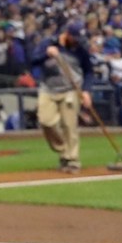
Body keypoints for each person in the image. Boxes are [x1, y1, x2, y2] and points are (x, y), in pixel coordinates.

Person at [36, 31, 90, 174]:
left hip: (71, 89)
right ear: (66, 34)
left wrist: (86, 91)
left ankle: (72, 160)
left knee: (69, 125)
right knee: (45, 121)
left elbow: (89, 70)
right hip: (48, 89)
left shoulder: (80, 49)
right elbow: (32, 60)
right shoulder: (47, 43)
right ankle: (63, 148)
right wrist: (46, 54)